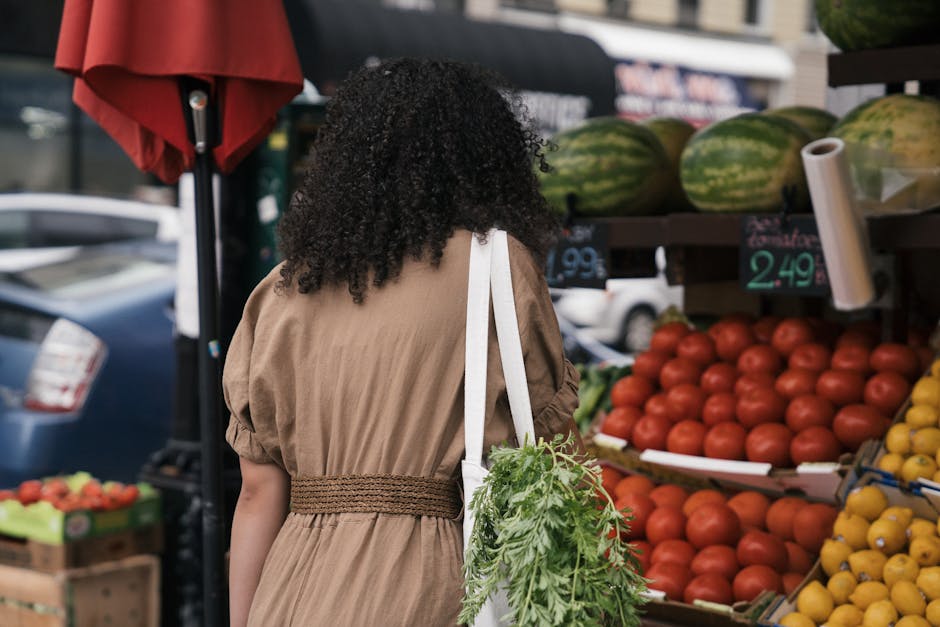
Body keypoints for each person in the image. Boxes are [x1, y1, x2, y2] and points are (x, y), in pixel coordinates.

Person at [224, 57, 581, 626]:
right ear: (484, 159)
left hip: (289, 593)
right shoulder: (494, 271)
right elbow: (559, 461)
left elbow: (256, 495)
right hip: (433, 588)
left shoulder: (282, 291)